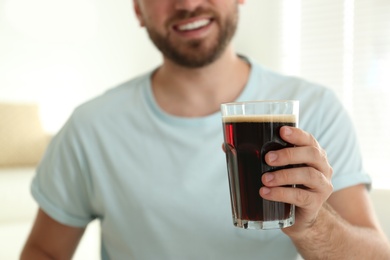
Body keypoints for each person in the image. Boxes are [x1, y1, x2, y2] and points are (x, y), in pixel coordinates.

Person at [21, 0, 390, 259]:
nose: (188, 2)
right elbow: (45, 251)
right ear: (137, 9)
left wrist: (312, 225)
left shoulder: (315, 110)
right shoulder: (89, 127)